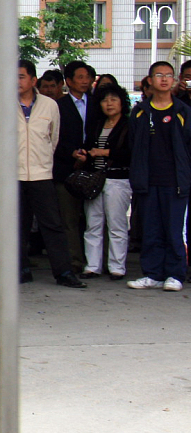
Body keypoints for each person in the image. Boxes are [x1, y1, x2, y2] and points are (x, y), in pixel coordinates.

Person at [16, 60, 85, 288]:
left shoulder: (49, 105)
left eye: (21, 76)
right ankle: (20, 269)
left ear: (33, 80)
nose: (16, 81)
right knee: (17, 225)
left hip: (41, 174)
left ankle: (64, 272)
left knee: (53, 225)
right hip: (13, 175)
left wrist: (43, 161)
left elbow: (53, 139)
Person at [126, 61, 191, 291]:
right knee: (151, 229)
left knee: (174, 230)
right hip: (147, 180)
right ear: (150, 80)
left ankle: (175, 275)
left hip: (175, 182)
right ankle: (152, 274)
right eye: (159, 75)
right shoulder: (141, 111)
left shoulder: (183, 111)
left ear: (174, 80)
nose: (164, 79)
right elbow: (133, 144)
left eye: (169, 75)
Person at [77, 83, 131, 280]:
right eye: (104, 100)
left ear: (122, 103)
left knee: (116, 225)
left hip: (118, 179)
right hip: (95, 179)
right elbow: (88, 146)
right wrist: (84, 155)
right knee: (93, 223)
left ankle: (117, 267)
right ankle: (92, 266)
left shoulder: (128, 125)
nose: (109, 104)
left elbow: (131, 153)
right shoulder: (97, 125)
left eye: (113, 99)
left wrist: (104, 152)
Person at [54, 61, 93, 272]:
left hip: (92, 169)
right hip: (66, 170)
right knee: (69, 219)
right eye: (80, 77)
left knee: (93, 219)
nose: (85, 81)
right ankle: (74, 261)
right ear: (68, 81)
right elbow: (53, 137)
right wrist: (71, 153)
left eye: (87, 76)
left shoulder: (97, 104)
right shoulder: (58, 106)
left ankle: (96, 261)